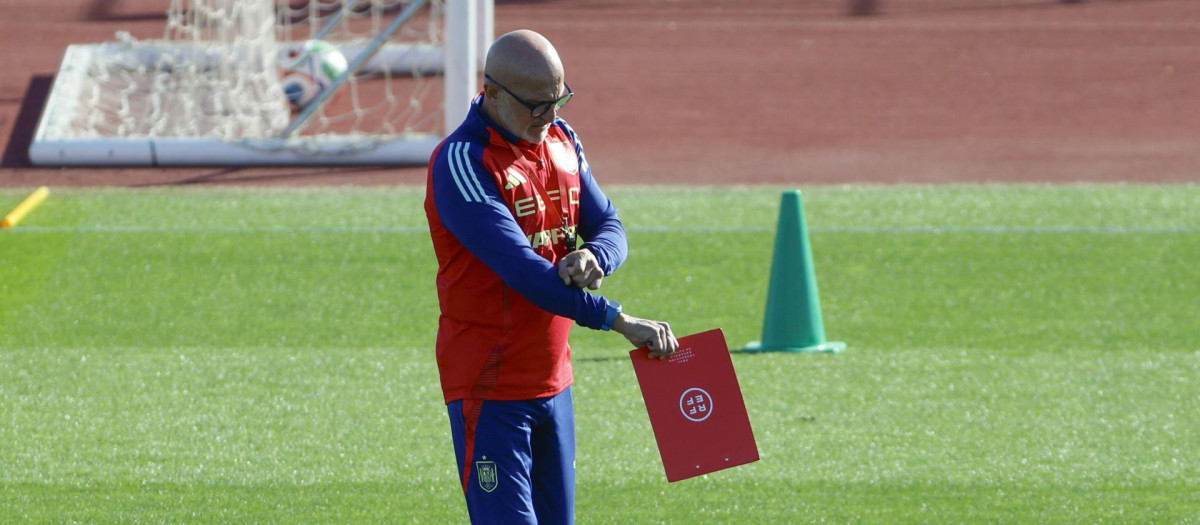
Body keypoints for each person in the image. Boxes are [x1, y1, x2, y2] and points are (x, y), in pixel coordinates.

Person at [423, 30, 680, 524]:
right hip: (490, 386)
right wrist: (618, 320)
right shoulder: (462, 163)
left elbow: (610, 224)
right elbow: (525, 272)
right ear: (493, 93)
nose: (551, 117)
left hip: (553, 382)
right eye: (537, 106)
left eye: (558, 100)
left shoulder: (562, 141)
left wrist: (597, 258)